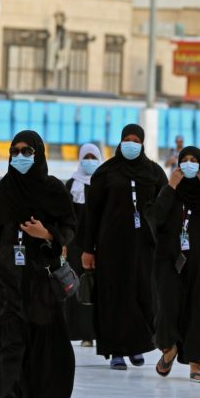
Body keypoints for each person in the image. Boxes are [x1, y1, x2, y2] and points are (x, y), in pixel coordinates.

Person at [0, 130, 75, 398]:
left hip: (43, 284)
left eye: (27, 151)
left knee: (39, 348)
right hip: (9, 282)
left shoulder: (53, 190)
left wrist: (48, 234)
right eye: (15, 151)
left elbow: (69, 227)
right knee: (10, 344)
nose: (20, 157)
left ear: (38, 154)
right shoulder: (2, 192)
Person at [145, 146, 200, 383]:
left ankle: (196, 364)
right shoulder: (170, 193)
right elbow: (154, 218)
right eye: (183, 160)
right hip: (170, 262)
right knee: (167, 306)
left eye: (193, 160)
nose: (188, 164)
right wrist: (171, 187)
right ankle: (169, 348)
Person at [81, 124, 167, 370]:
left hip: (144, 249)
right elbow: (92, 214)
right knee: (115, 297)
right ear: (120, 142)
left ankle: (136, 346)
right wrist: (88, 249)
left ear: (142, 143)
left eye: (136, 140)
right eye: (127, 139)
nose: (131, 144)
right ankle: (116, 350)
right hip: (111, 248)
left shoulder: (153, 172)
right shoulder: (106, 173)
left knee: (143, 297)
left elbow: (165, 208)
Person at [64, 143, 102, 348]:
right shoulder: (71, 185)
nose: (89, 161)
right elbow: (64, 216)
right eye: (85, 156)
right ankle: (80, 332)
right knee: (77, 287)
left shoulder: (104, 184)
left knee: (98, 289)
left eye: (93, 157)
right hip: (75, 245)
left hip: (100, 245)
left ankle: (98, 331)